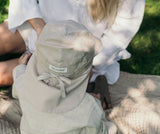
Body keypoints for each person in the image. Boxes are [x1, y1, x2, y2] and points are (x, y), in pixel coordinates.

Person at [12, 20, 117, 134]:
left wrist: (21, 67)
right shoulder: (89, 107)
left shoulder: (23, 83)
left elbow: (17, 82)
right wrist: (111, 127)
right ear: (87, 73)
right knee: (104, 131)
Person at [0, 0, 145, 87]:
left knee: (3, 74)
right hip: (40, 26)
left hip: (75, 57)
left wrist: (80, 64)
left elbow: (118, 37)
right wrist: (40, 27)